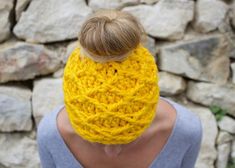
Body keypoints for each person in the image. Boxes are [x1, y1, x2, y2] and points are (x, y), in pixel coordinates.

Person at [37, 9, 202, 168]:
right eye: (95, 139)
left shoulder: (185, 132)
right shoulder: (51, 135)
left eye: (131, 137)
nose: (111, 152)